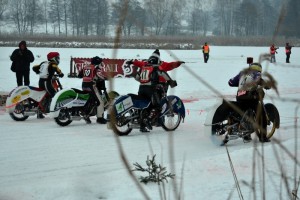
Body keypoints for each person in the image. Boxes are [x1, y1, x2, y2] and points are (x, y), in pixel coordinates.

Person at [127, 49, 184, 132]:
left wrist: (132, 63)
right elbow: (169, 67)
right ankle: (150, 121)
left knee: (144, 105)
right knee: (158, 106)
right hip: (155, 88)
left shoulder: (145, 65)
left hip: (142, 88)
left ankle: (143, 125)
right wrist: (172, 81)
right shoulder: (159, 65)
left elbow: (137, 72)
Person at [228, 62, 270, 143]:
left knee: (244, 114)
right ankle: (263, 137)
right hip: (251, 98)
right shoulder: (257, 73)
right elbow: (259, 81)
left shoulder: (242, 73)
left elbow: (231, 83)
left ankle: (246, 135)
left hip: (240, 97)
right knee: (262, 116)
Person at [32, 52, 64, 118]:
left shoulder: (44, 63)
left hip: (41, 81)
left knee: (45, 96)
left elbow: (34, 67)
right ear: (53, 58)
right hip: (47, 82)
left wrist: (38, 71)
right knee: (55, 96)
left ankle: (40, 111)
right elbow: (56, 68)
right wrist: (60, 73)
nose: (58, 59)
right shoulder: (52, 63)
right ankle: (58, 114)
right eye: (57, 58)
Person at [78, 56, 107, 124]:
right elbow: (100, 76)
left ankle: (87, 114)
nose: (101, 64)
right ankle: (100, 118)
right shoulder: (96, 68)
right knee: (100, 102)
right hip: (92, 86)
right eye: (100, 62)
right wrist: (106, 78)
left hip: (84, 85)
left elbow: (79, 75)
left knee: (91, 100)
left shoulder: (86, 67)